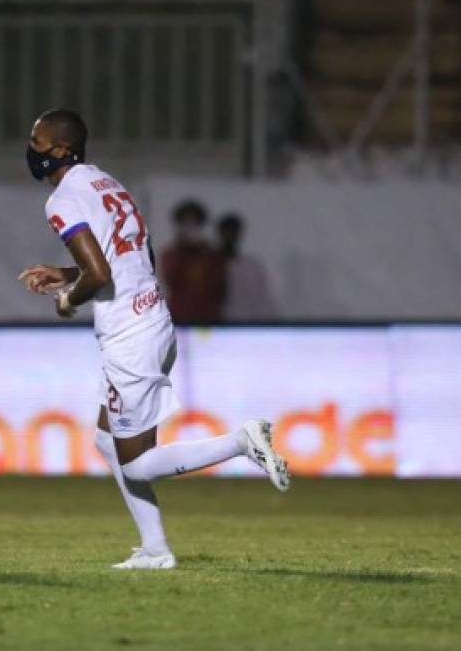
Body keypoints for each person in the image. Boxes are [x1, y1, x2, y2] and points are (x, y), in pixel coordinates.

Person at [18, 109, 289, 570]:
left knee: (137, 464)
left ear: (61, 150)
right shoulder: (107, 183)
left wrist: (68, 298)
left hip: (129, 336)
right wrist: (66, 273)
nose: (32, 149)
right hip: (152, 319)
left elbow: (99, 273)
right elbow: (129, 257)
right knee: (108, 442)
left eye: (38, 141)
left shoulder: (62, 199)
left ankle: (241, 442)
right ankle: (155, 550)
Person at [158, 199, 227, 324]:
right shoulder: (171, 253)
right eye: (185, 224)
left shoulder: (212, 255)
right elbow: (171, 280)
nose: (190, 229)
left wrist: (201, 251)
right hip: (179, 317)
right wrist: (182, 249)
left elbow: (219, 286)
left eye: (194, 224)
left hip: (209, 317)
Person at [217, 214, 276, 321]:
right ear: (220, 233)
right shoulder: (209, 267)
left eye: (233, 231)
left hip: (247, 324)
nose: (230, 235)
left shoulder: (252, 266)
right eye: (227, 231)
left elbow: (261, 298)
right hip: (217, 327)